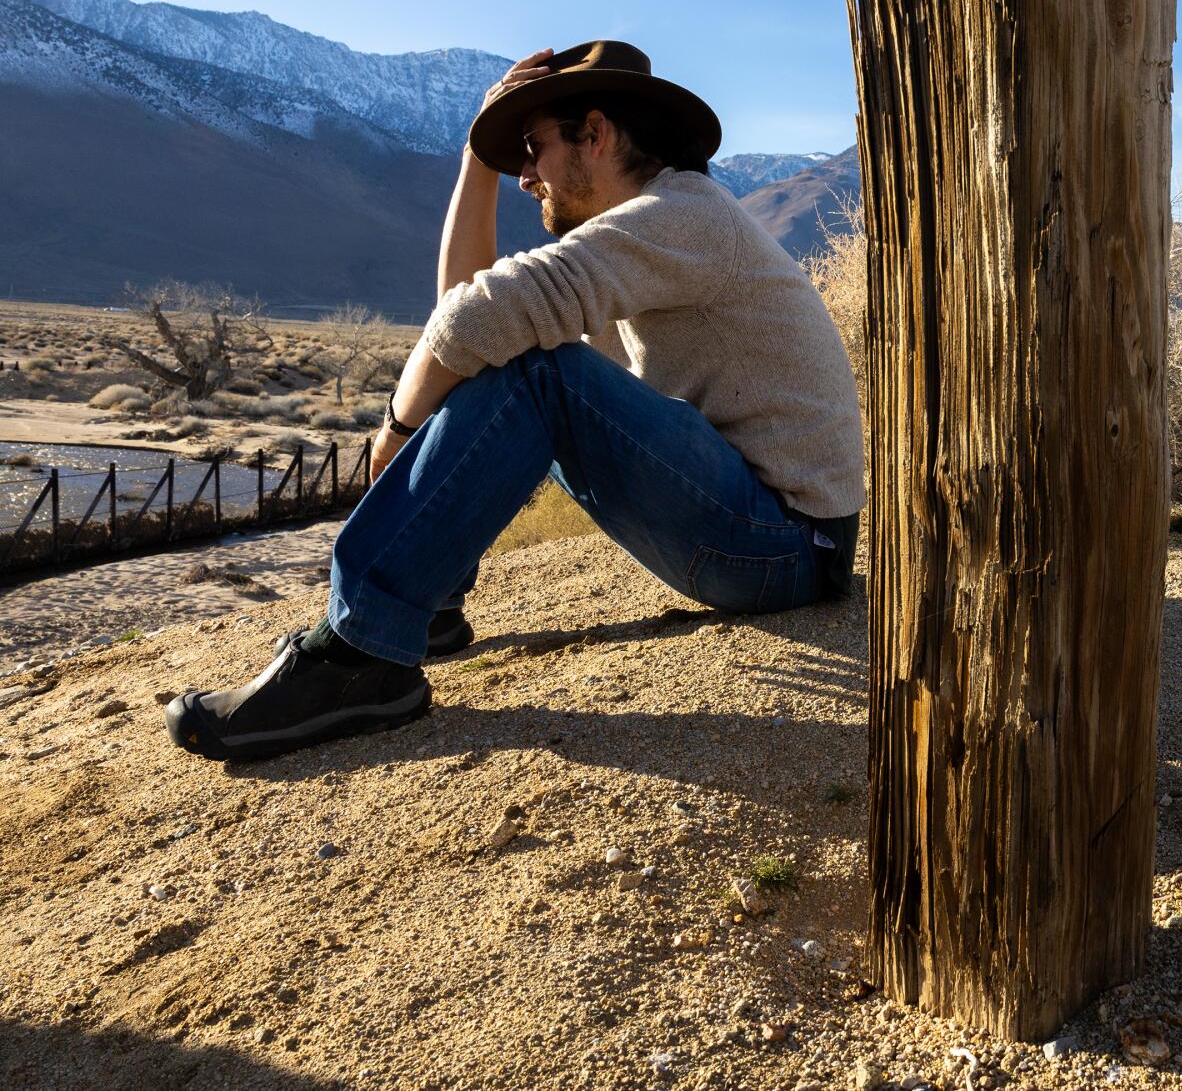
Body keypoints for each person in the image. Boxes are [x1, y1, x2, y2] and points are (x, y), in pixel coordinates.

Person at [164, 41, 865, 762]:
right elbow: (463, 318)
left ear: (595, 135)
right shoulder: (644, 234)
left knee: (537, 370)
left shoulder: (683, 216)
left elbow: (473, 322)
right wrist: (479, 160)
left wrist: (398, 428)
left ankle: (355, 657)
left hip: (786, 546)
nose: (525, 176)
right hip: (766, 535)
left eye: (532, 149)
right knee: (507, 351)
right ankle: (421, 613)